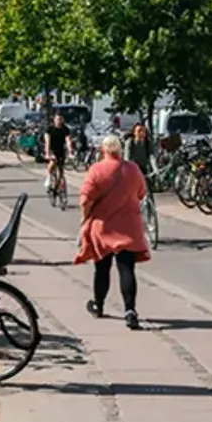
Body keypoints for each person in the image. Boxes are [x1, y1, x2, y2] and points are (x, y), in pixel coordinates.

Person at [75, 134, 150, 330]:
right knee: (127, 269)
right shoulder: (133, 169)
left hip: (103, 227)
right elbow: (142, 193)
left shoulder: (97, 170)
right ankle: (130, 311)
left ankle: (98, 305)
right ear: (120, 149)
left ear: (103, 150)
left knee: (102, 269)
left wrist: (84, 219)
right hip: (128, 226)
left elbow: (85, 200)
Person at [44, 113, 73, 191]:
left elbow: (68, 141)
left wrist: (70, 152)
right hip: (52, 149)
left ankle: (60, 185)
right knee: (52, 163)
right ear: (54, 120)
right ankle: (49, 177)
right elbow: (47, 142)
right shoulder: (49, 129)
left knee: (61, 169)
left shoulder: (65, 129)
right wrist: (47, 153)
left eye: (60, 120)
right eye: (57, 119)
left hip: (60, 149)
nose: (59, 121)